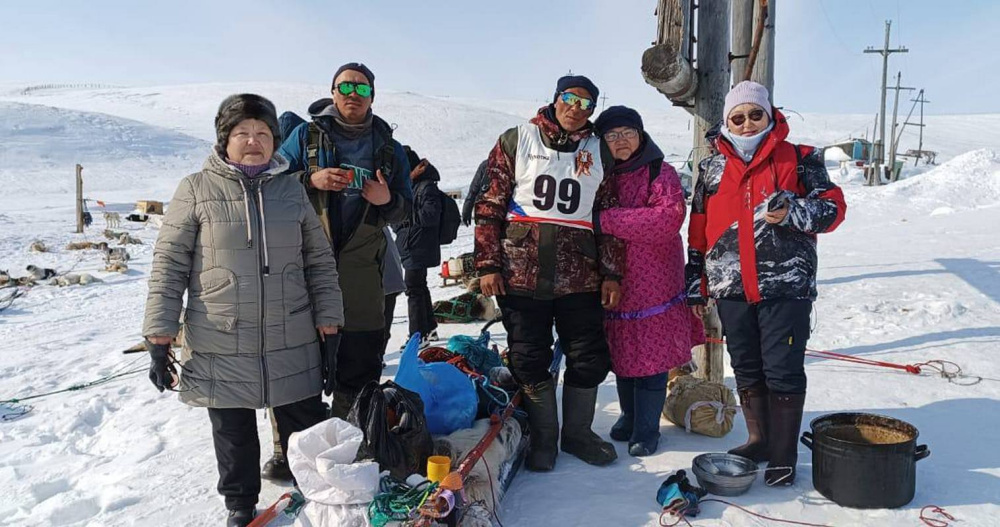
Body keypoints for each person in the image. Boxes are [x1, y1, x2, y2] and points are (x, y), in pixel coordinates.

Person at [143, 94, 344, 526]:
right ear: (224, 139)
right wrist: (159, 336)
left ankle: (314, 496)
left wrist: (330, 325)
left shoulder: (292, 190)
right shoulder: (195, 189)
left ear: (275, 140)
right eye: (242, 133)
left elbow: (320, 263)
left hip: (291, 330)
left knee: (303, 424)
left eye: (263, 133)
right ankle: (239, 504)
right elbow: (169, 265)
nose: (253, 141)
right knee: (232, 429)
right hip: (221, 332)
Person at [685, 81, 847, 485]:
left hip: (784, 285)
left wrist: (792, 210)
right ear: (726, 121)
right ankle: (758, 440)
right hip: (730, 286)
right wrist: (696, 280)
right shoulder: (710, 167)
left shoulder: (801, 157)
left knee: (783, 371)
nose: (745, 124)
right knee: (746, 366)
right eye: (736, 117)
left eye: (755, 114)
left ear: (769, 115)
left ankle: (783, 455)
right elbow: (699, 227)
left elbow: (833, 209)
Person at [475, 75, 625, 471]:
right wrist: (488, 264)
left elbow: (607, 218)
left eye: (586, 103)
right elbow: (489, 205)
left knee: (588, 356)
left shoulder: (599, 151)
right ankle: (544, 439)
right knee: (528, 358)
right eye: (570, 98)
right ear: (556, 99)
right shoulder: (516, 139)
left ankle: (577, 433)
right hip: (520, 273)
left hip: (581, 274)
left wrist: (612, 273)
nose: (576, 107)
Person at [278, 62, 413, 419]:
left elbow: (405, 211)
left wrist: (387, 201)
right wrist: (311, 180)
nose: (354, 95)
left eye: (363, 89)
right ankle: (290, 446)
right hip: (304, 263)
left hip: (364, 271)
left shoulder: (388, 147)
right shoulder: (303, 138)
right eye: (346, 87)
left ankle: (349, 436)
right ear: (333, 92)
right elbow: (271, 185)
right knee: (297, 360)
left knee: (360, 359)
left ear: (373, 96)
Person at [593, 106, 705, 457]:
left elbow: (665, 220)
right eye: (612, 136)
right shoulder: (598, 174)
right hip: (615, 279)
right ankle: (628, 417)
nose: (621, 141)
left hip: (656, 281)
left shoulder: (661, 172)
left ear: (641, 135)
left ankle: (647, 427)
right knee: (624, 353)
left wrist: (607, 220)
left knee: (653, 357)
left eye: (628, 132)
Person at [394, 146, 443, 348]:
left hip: (419, 244)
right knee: (419, 287)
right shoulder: (412, 186)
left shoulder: (426, 186)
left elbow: (431, 215)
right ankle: (429, 328)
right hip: (411, 243)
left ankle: (417, 336)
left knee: (413, 289)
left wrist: (405, 218)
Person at [462, 159, 489, 227]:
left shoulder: (486, 164)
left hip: (484, 213)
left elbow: (473, 190)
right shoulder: (514, 164)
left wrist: (466, 210)